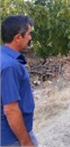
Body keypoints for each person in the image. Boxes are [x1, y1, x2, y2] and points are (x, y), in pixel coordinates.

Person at [1, 15, 38, 146]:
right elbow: (11, 109)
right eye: (28, 34)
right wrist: (26, 142)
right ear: (18, 38)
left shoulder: (3, 57)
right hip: (12, 138)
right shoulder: (10, 66)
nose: (30, 38)